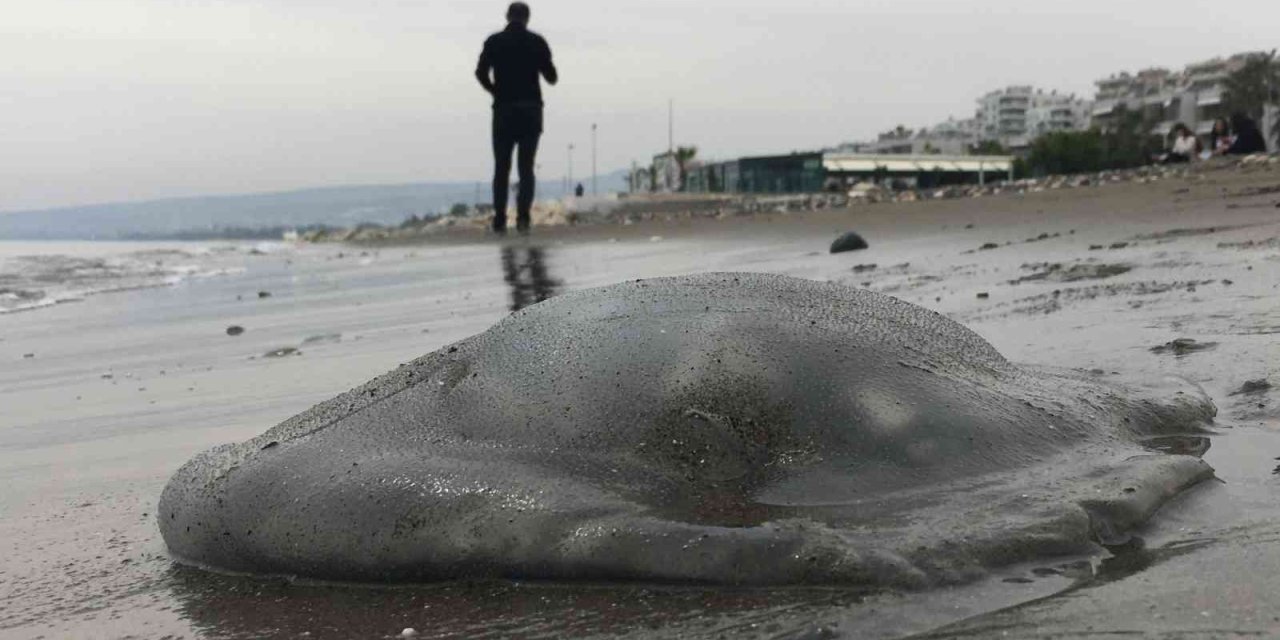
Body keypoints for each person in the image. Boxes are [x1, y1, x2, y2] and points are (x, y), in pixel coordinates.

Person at [476, 2, 558, 235]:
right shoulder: (537, 42)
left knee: (501, 167)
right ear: (527, 18)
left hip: (503, 110)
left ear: (507, 16)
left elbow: (480, 73)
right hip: (531, 110)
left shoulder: (493, 42)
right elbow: (551, 77)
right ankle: (523, 219)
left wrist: (494, 90)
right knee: (526, 167)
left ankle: (500, 219)